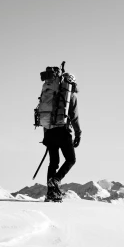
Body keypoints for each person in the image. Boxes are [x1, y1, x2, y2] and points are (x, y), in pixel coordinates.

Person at [45, 73, 82, 202]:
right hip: (63, 132)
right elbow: (74, 117)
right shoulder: (70, 96)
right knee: (71, 159)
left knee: (53, 163)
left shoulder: (51, 93)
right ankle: (56, 181)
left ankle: (51, 193)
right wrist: (78, 133)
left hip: (49, 132)